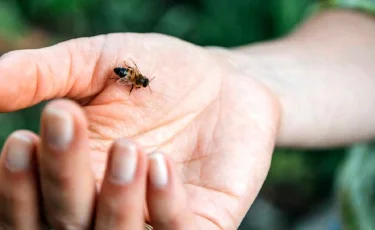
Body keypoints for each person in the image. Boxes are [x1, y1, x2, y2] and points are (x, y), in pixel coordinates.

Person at [0, 3, 374, 230]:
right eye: (139, 80)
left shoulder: (133, 79)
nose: (137, 82)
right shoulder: (130, 77)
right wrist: (241, 78)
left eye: (137, 81)